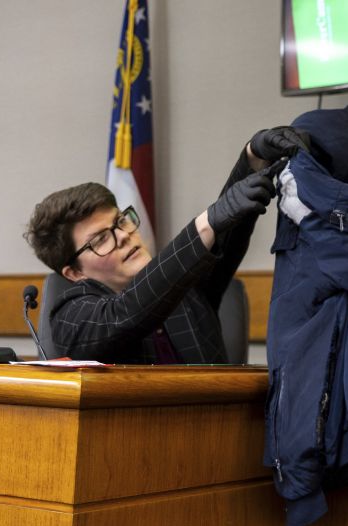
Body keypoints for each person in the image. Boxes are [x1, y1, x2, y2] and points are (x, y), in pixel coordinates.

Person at [24, 127, 306, 364]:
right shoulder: (70, 316)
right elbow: (125, 312)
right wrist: (207, 222)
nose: (123, 235)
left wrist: (252, 157)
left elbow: (223, 235)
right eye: (100, 239)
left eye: (120, 221)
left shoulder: (185, 290)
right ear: (74, 273)